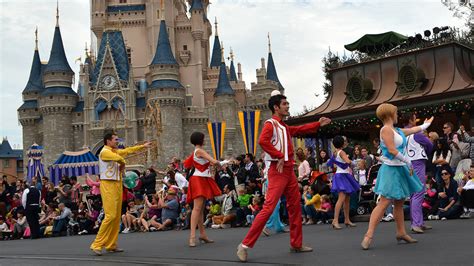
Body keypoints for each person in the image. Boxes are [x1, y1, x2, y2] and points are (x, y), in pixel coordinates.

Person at [236, 90, 331, 262]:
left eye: (287, 104)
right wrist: (279, 156)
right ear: (276, 107)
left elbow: (298, 129)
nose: (288, 106)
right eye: (285, 104)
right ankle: (244, 245)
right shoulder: (270, 124)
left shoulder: (284, 126)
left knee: (295, 206)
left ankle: (296, 243)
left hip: (288, 171)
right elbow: (262, 142)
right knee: (269, 207)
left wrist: (317, 124)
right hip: (278, 171)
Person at [361, 103, 432, 250]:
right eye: (396, 112)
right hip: (391, 170)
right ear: (388, 114)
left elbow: (413, 129)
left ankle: (401, 233)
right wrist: (409, 161)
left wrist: (425, 125)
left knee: (399, 202)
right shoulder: (385, 129)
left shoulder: (397, 130)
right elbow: (392, 150)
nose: (397, 115)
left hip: (400, 169)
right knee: (384, 203)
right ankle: (368, 235)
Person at [90, 132, 151, 256]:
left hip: (117, 184)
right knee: (110, 216)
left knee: (117, 216)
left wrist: (142, 146)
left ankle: (111, 244)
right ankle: (96, 244)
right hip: (108, 184)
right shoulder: (105, 152)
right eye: (115, 139)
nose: (117, 141)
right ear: (108, 141)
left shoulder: (113, 151)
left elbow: (127, 151)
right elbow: (120, 158)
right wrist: (123, 164)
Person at [185, 131, 226, 247]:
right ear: (200, 140)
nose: (205, 140)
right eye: (203, 138)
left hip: (201, 179)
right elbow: (214, 161)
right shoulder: (200, 151)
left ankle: (202, 234)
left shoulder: (196, 151)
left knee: (200, 209)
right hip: (199, 180)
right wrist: (225, 162)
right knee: (197, 209)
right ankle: (192, 236)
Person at [403, 112, 434, 234]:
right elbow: (430, 145)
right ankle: (417, 223)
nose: (416, 120)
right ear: (411, 121)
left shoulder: (403, 133)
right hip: (417, 162)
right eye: (415, 119)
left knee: (413, 194)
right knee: (419, 192)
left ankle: (418, 222)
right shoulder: (416, 133)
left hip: (407, 163)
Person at [327, 136, 360, 229]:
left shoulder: (335, 152)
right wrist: (356, 163)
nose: (345, 142)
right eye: (344, 141)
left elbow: (332, 164)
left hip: (341, 174)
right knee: (341, 199)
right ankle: (335, 220)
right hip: (342, 175)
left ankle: (347, 219)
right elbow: (348, 161)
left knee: (347, 199)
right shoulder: (342, 152)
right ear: (342, 143)